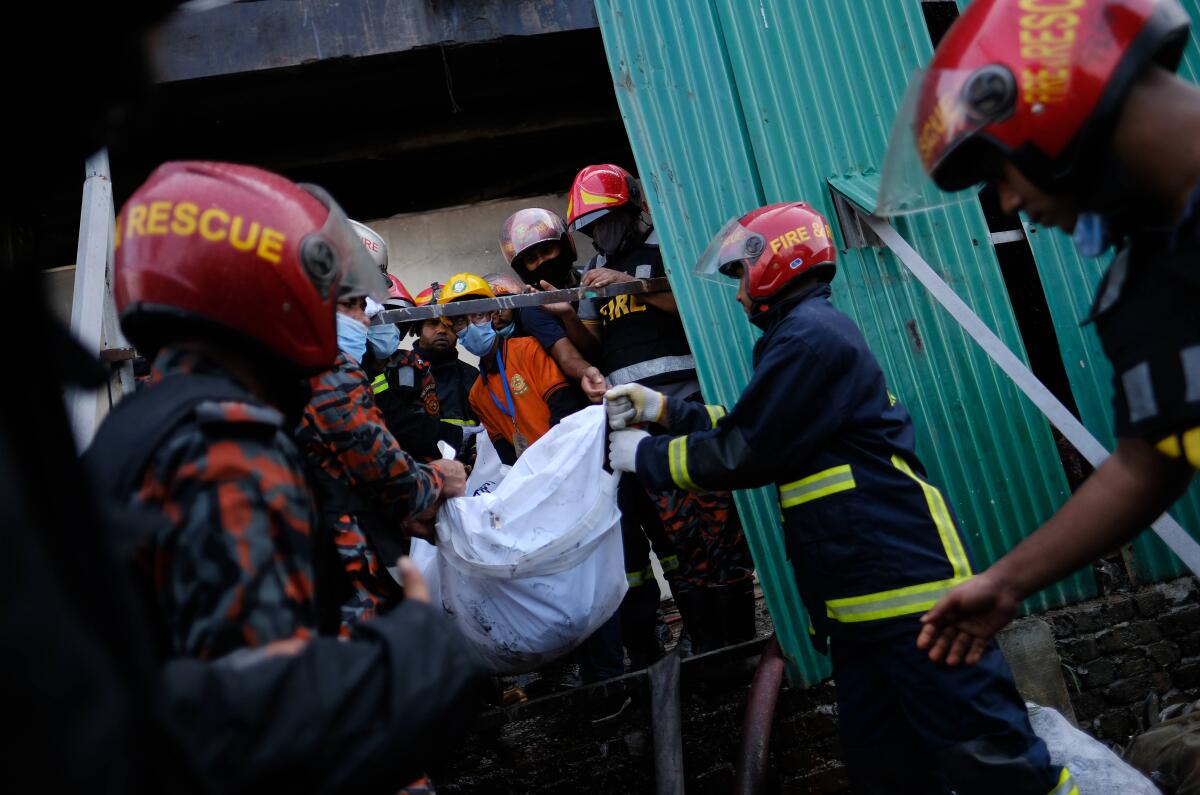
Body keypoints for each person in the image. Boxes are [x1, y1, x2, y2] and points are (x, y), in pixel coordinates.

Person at [606, 201, 1073, 794]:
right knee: (886, 766)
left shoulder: (807, 338)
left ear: (771, 266)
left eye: (738, 277)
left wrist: (644, 457)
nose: (738, 294)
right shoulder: (801, 336)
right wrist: (669, 411)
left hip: (908, 596)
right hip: (862, 604)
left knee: (991, 758)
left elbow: (747, 451)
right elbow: (766, 425)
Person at [81, 159, 485, 787]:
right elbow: (270, 715)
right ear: (253, 287)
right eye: (325, 291)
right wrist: (409, 649)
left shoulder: (138, 429)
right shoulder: (227, 447)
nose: (335, 312)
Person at [889, 0, 1200, 669]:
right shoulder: (1153, 288)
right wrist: (1008, 580)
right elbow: (1149, 461)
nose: (1004, 203)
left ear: (1044, 111)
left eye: (997, 172)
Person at [567, 163, 756, 661]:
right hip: (635, 418)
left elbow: (697, 305)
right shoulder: (594, 269)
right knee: (679, 530)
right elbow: (593, 339)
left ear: (631, 209)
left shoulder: (662, 251)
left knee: (717, 522)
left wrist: (631, 284)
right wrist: (570, 313)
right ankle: (705, 639)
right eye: (591, 226)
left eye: (607, 220)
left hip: (684, 406)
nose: (599, 233)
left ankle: (738, 638)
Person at [297, 263, 464, 635]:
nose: (366, 320)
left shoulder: (275, 367)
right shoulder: (332, 371)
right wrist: (440, 478)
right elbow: (382, 469)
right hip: (339, 565)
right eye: (354, 305)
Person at [439, 272, 587, 465]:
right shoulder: (477, 395)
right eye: (460, 321)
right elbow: (506, 454)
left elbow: (563, 406)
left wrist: (555, 461)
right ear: (455, 332)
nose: (471, 326)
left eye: (477, 314)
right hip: (533, 478)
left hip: (568, 457)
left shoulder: (529, 349)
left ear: (493, 314)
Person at [500, 207, 607, 403]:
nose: (542, 262)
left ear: (564, 246)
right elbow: (567, 356)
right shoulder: (534, 306)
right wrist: (587, 372)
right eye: (532, 260)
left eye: (547, 251)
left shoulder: (592, 276)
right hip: (581, 401)